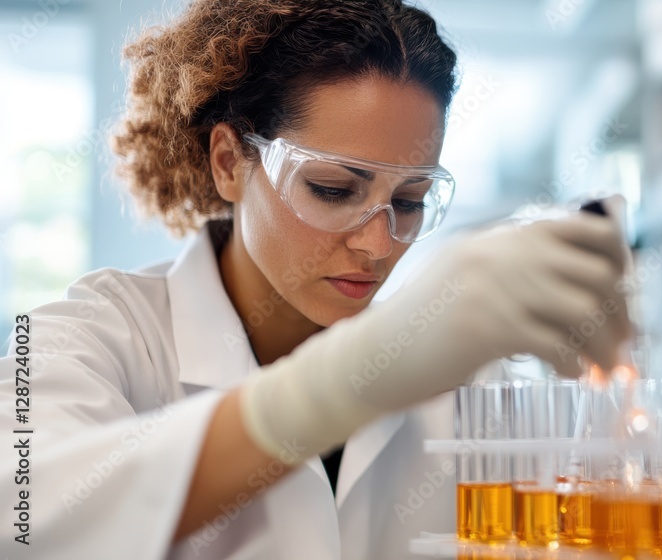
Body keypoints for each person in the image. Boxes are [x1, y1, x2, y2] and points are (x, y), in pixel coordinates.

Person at [0, 1, 630, 558]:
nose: (378, 244)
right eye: (333, 189)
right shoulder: (85, 335)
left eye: (410, 201)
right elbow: (20, 517)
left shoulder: (465, 379)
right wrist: (336, 388)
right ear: (228, 162)